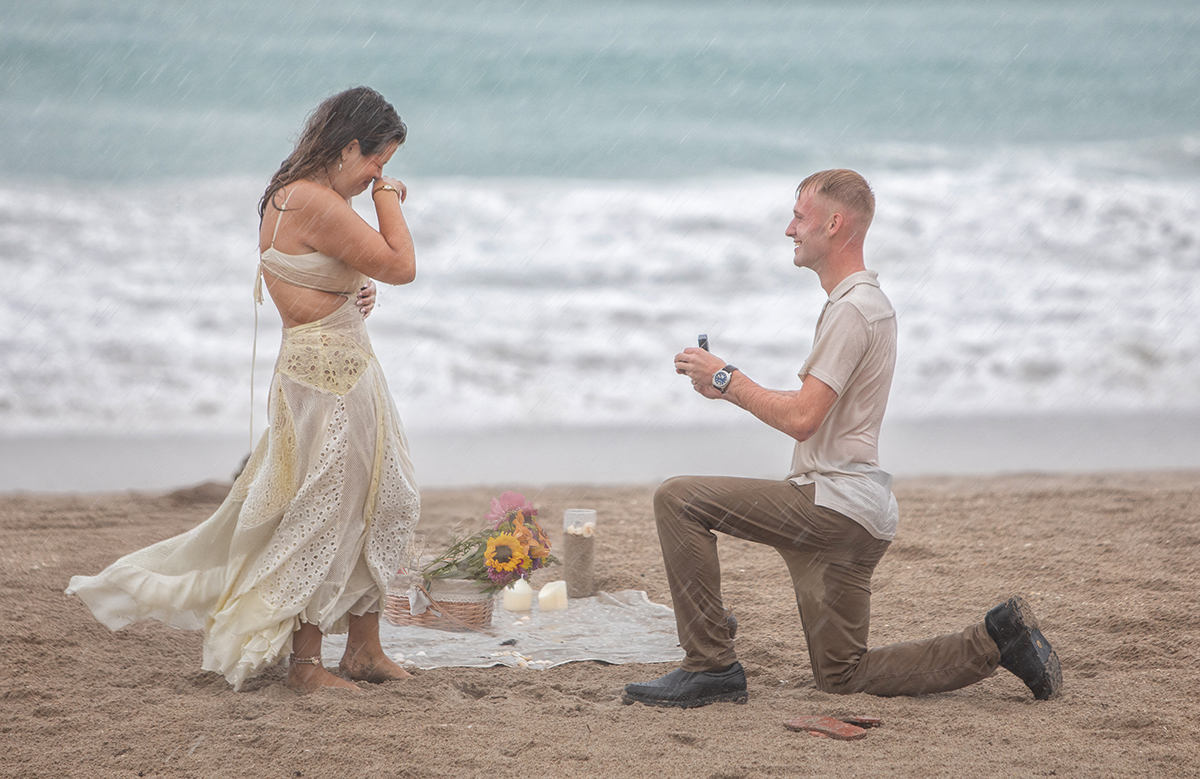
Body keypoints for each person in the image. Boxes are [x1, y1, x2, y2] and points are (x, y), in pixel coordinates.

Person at [624, 169, 1062, 708]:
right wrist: (729, 388)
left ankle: (710, 667)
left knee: (679, 499)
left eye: (799, 217)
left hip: (832, 503)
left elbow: (804, 418)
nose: (789, 230)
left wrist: (726, 379)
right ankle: (997, 641)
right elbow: (816, 405)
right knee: (843, 675)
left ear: (834, 224)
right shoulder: (860, 304)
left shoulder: (854, 309)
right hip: (858, 515)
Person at [66, 87, 422, 693]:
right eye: (377, 163)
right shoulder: (311, 200)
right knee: (323, 511)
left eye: (384, 173)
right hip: (328, 378)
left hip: (338, 366)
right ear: (352, 145)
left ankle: (364, 647)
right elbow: (402, 264)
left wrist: (352, 294)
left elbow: (327, 280)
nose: (377, 177)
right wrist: (391, 201)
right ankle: (307, 664)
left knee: (385, 498)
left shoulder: (294, 194)